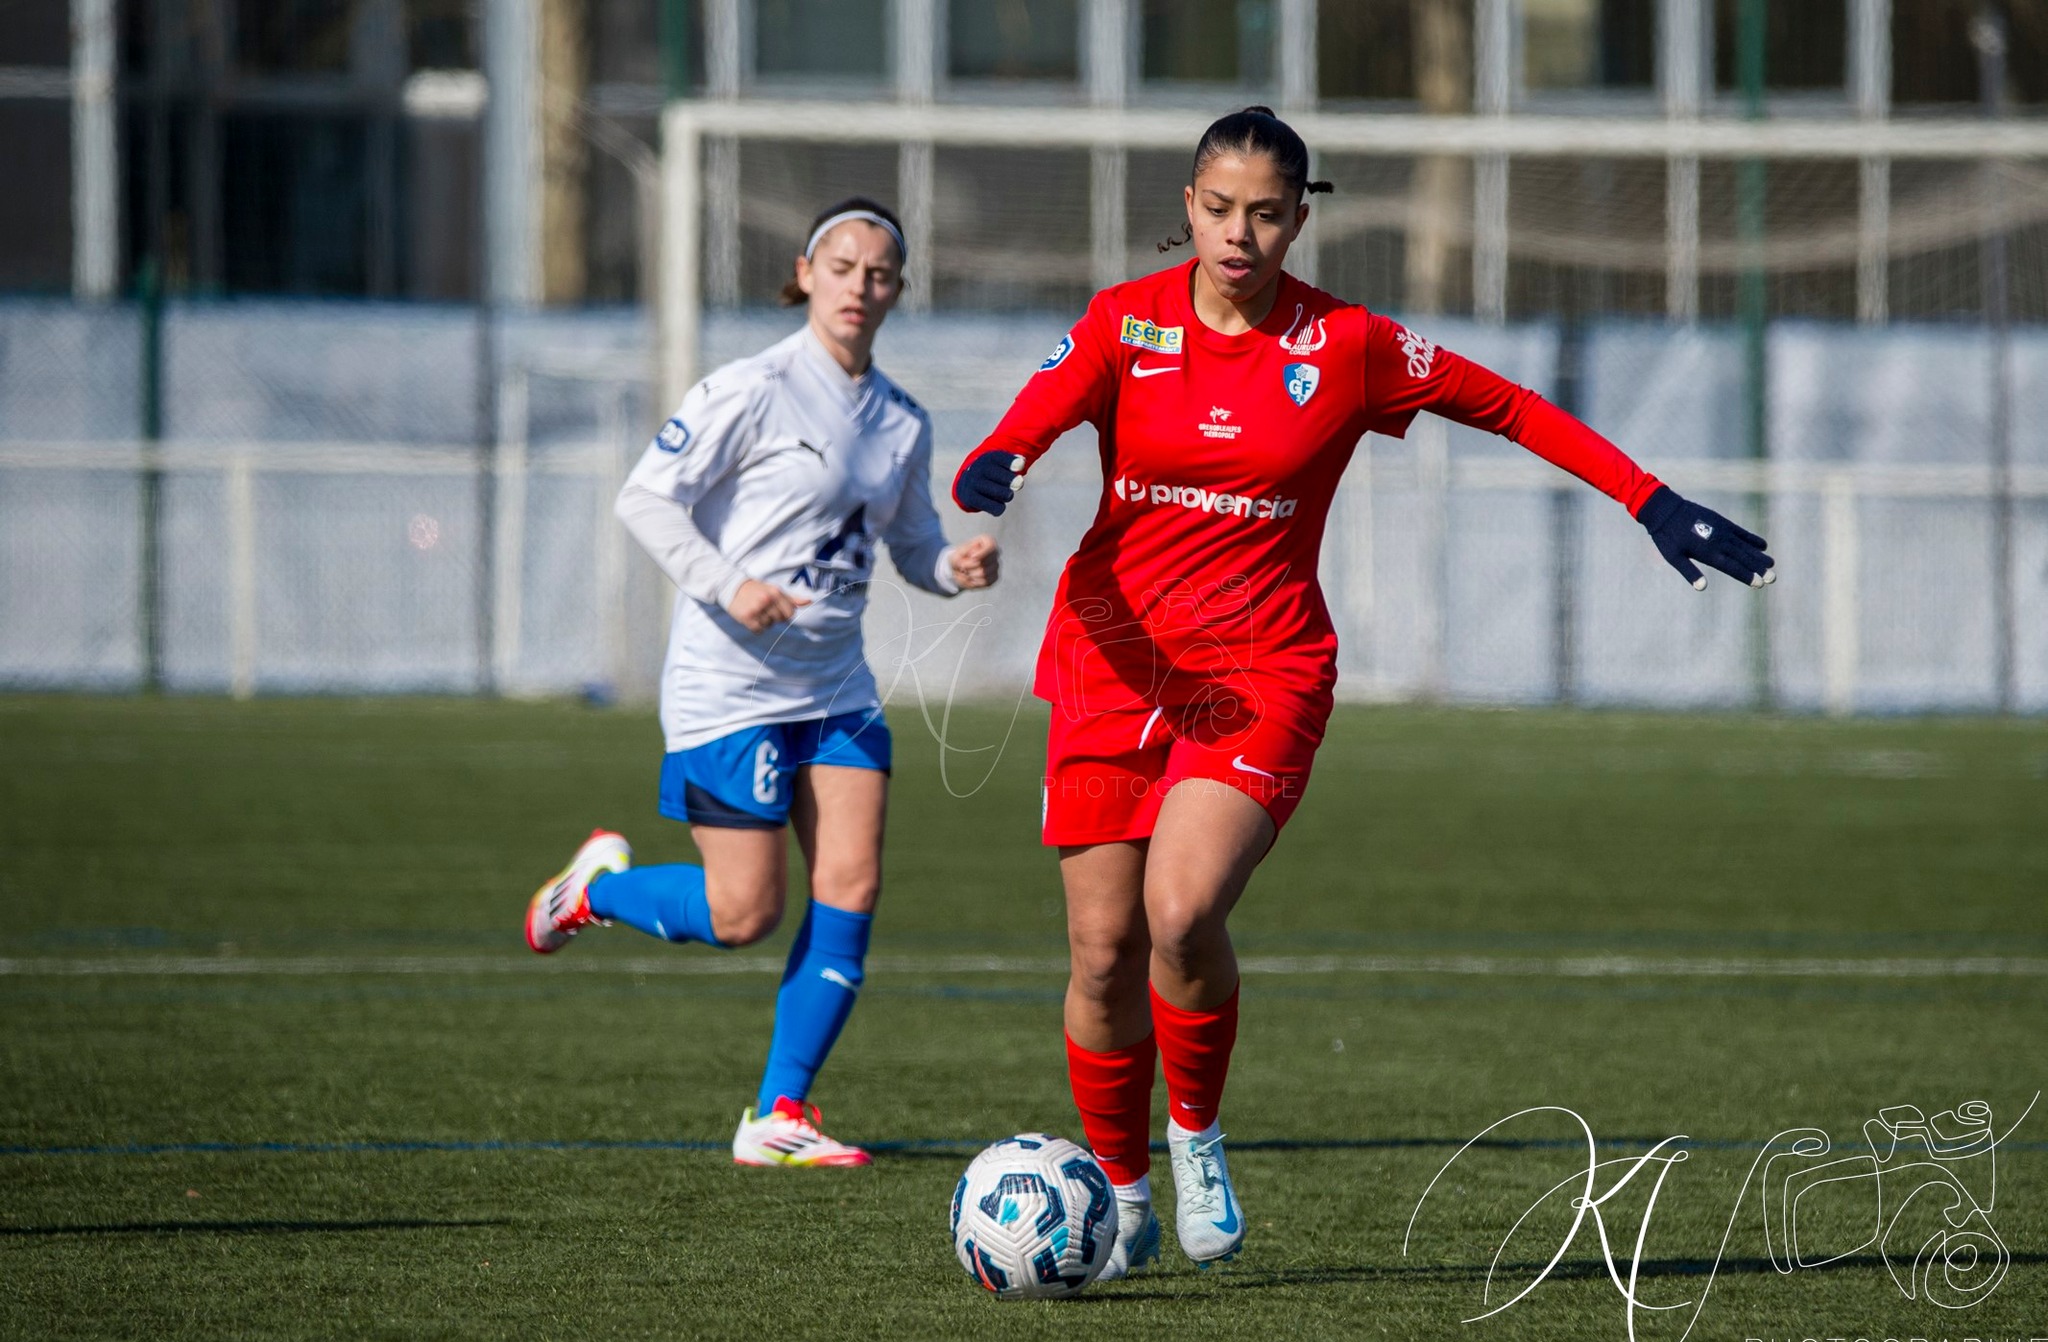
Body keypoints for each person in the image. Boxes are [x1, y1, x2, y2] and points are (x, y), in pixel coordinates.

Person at [952, 108, 1774, 1273]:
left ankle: (1192, 1134)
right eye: (1218, 207)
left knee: (1180, 913)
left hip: (1259, 669)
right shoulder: (1121, 321)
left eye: (1267, 213)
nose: (1239, 233)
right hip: (1110, 656)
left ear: (1299, 216)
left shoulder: (1345, 344)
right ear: (1186, 204)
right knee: (1098, 950)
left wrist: (1645, 496)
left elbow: (1510, 405)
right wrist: (997, 460)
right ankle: (1119, 1193)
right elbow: (1026, 421)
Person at [525, 196, 1000, 1168]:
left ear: (897, 291)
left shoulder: (901, 421)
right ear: (805, 272)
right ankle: (595, 892)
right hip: (727, 691)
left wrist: (954, 569)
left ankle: (778, 1113)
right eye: (842, 265)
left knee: (852, 885)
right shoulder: (749, 388)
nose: (859, 285)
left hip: (837, 692)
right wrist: (726, 583)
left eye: (879, 273)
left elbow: (908, 546)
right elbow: (645, 499)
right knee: (744, 913)